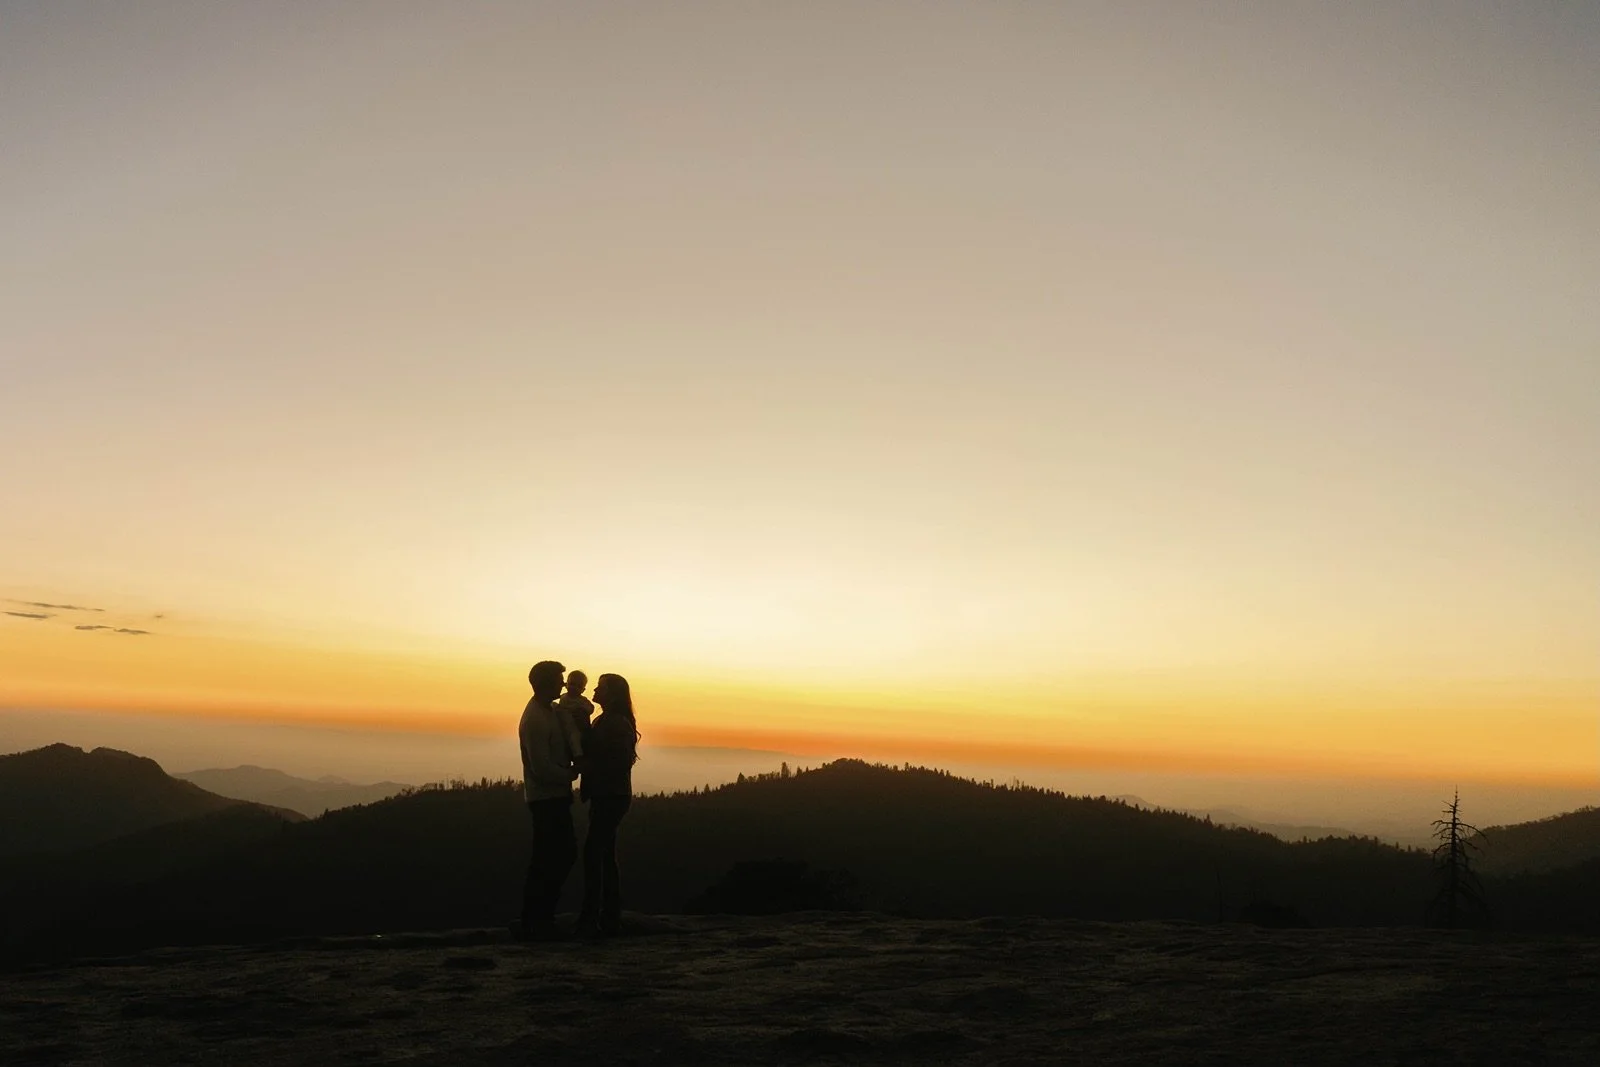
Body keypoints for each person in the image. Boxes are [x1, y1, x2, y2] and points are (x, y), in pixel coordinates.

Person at [516, 659, 585, 940]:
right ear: (545, 683)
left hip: (552, 797)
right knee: (552, 857)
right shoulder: (534, 718)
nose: (563, 684)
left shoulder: (551, 711)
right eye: (559, 679)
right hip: (545, 798)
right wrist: (571, 774)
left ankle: (538, 918)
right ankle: (536, 919)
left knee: (553, 856)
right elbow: (540, 767)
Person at [578, 672, 639, 936]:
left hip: (611, 796)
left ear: (611, 694)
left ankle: (594, 917)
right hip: (609, 795)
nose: (594, 690)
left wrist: (589, 766)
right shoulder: (605, 721)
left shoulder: (615, 723)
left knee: (594, 854)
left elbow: (618, 762)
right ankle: (608, 916)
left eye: (600, 687)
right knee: (604, 854)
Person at [553, 669, 595, 742]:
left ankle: (577, 752)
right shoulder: (563, 697)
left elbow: (590, 708)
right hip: (563, 722)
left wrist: (584, 710)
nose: (574, 688)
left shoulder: (582, 700)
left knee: (574, 738)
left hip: (574, 725)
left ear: (583, 690)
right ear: (566, 685)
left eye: (579, 686)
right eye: (572, 684)